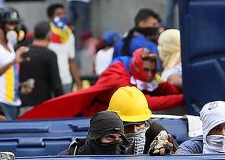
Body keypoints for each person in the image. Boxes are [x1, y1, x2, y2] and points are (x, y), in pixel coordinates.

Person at [21, 47, 183, 120]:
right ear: (137, 66)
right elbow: (143, 101)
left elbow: (159, 84)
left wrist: (184, 91)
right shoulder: (118, 74)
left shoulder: (145, 71)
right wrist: (182, 98)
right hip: (92, 117)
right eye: (146, 70)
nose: (149, 75)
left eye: (151, 71)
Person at [107, 86, 178, 155]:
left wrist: (170, 153)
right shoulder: (102, 132)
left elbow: (180, 157)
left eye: (138, 125)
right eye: (128, 126)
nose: (134, 130)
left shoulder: (154, 130)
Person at [0, 7, 28, 119]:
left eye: (16, 24)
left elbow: (6, 76)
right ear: (0, 25)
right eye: (11, 24)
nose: (15, 28)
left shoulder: (10, 45)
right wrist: (13, 62)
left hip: (14, 102)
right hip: (1, 101)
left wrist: (20, 86)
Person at [18, 21, 64, 115]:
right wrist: (63, 104)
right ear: (49, 35)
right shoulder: (50, 55)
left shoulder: (22, 52)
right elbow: (56, 85)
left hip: (23, 105)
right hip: (43, 106)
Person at [46, 3, 81, 91]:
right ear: (50, 18)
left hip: (66, 82)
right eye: (58, 14)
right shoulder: (45, 35)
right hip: (49, 82)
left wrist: (78, 83)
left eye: (63, 13)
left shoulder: (69, 36)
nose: (62, 16)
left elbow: (71, 61)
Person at [60, 110, 129, 155]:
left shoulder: (127, 157)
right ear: (95, 137)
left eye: (120, 137)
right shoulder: (67, 158)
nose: (116, 142)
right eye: (110, 137)